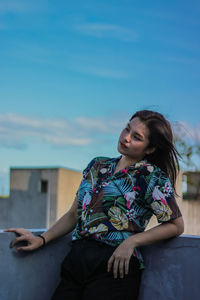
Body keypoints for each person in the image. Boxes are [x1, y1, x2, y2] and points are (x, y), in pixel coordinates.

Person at [4, 110, 184, 300]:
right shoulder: (96, 166)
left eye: (136, 137)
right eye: (126, 129)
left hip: (115, 265)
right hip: (76, 260)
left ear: (150, 149)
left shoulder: (151, 176)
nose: (126, 138)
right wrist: (41, 239)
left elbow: (175, 225)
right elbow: (74, 214)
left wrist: (132, 241)